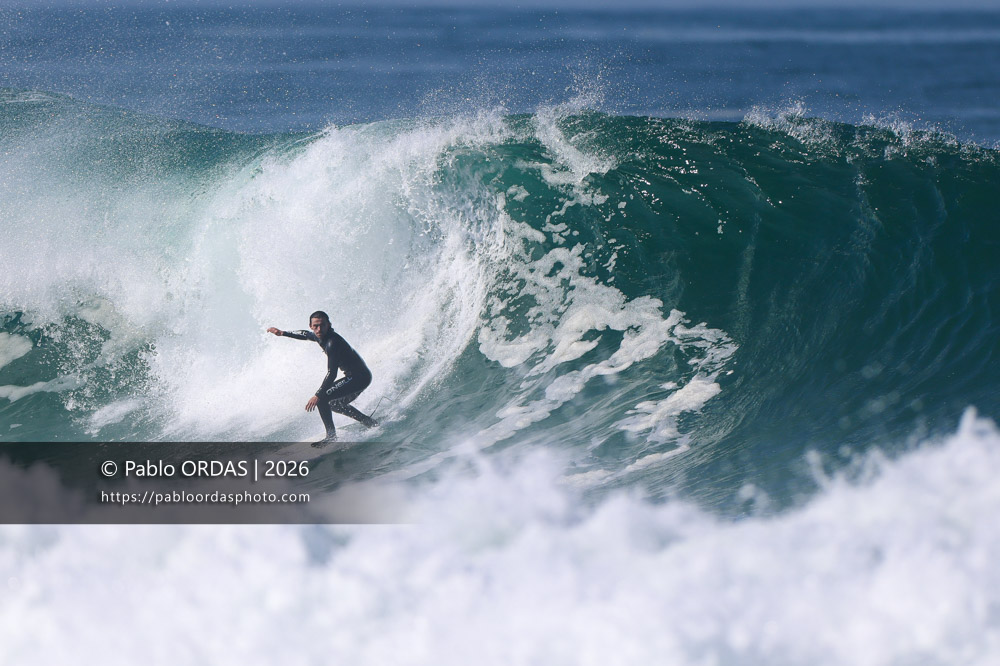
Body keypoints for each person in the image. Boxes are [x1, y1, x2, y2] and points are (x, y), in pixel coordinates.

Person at [267, 311, 377, 442]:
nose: (319, 329)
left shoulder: (332, 342)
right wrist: (283, 333)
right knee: (335, 404)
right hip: (355, 377)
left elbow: (332, 373)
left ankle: (331, 436)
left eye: (322, 325)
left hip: (359, 378)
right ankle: (369, 422)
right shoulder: (318, 335)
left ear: (328, 325)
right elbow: (305, 334)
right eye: (316, 326)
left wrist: (318, 395)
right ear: (311, 326)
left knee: (323, 399)